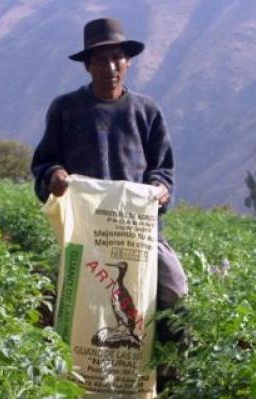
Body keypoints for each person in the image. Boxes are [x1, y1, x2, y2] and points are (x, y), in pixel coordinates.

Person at [31, 17, 188, 313]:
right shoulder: (66, 109)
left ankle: (162, 342)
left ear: (128, 62)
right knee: (80, 305)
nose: (111, 67)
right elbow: (45, 162)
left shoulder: (146, 111)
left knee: (174, 291)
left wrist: (160, 189)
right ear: (88, 65)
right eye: (101, 60)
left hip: (138, 229)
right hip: (87, 229)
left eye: (117, 58)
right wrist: (55, 175)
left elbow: (163, 168)